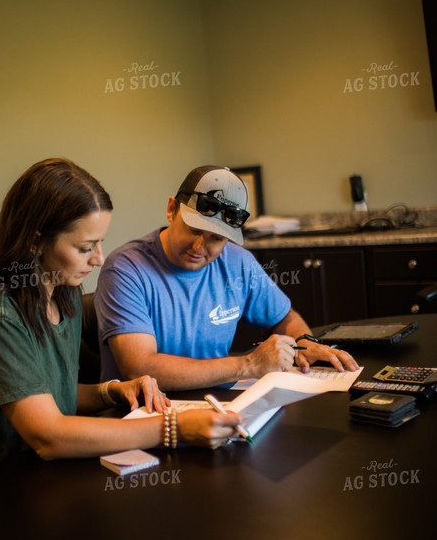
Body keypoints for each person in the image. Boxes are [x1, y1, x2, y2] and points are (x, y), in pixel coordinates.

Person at [0, 159, 241, 486]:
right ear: (35, 241)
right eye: (85, 247)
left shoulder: (63, 292)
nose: (99, 259)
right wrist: (174, 427)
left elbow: (50, 392)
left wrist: (114, 391)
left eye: (100, 243)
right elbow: (47, 435)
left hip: (38, 476)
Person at [95, 165, 359, 394]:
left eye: (216, 238)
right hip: (144, 412)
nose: (199, 247)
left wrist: (304, 345)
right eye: (194, 229)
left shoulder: (237, 262)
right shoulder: (126, 270)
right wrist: (250, 365)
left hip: (218, 403)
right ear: (171, 209)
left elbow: (284, 319)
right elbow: (140, 368)